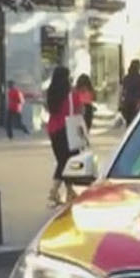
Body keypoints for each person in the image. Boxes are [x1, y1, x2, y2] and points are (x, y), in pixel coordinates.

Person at [46, 66, 84, 207]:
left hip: (53, 130)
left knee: (63, 160)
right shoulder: (71, 94)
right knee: (66, 163)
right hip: (68, 130)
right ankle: (54, 190)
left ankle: (69, 191)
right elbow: (80, 110)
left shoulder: (51, 93)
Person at [119, 59, 140, 127]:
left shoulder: (126, 78)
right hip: (138, 103)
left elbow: (122, 92)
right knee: (138, 123)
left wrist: (120, 103)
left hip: (127, 103)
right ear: (139, 67)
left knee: (129, 124)